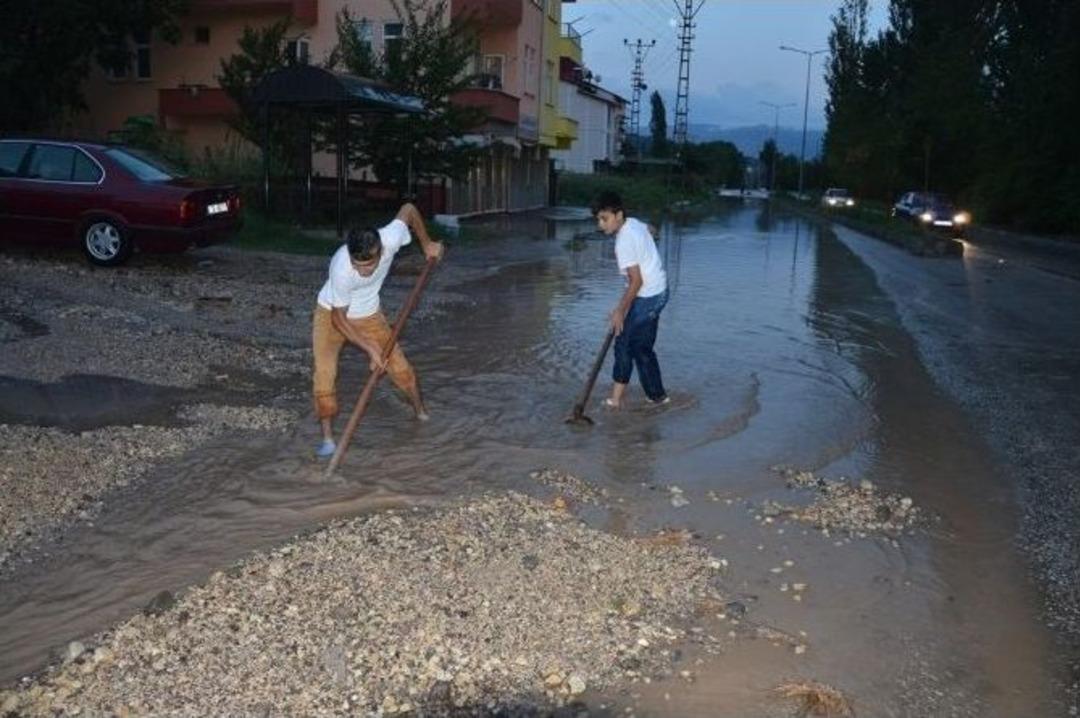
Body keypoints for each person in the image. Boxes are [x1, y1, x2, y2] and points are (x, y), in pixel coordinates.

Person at [311, 202, 443, 457]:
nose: (362, 271)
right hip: (331, 315)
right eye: (357, 264)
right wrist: (371, 349)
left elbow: (409, 209)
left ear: (380, 251)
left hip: (370, 316)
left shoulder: (391, 238)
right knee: (324, 376)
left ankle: (421, 414)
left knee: (401, 369)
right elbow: (340, 320)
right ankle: (328, 440)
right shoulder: (341, 267)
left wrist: (426, 243)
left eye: (368, 265)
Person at [590, 190, 670, 409]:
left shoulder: (623, 242)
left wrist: (619, 311)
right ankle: (642, 397)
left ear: (618, 215)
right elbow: (650, 229)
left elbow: (636, 281)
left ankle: (642, 398)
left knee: (630, 345)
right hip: (658, 290)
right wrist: (649, 239)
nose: (600, 224)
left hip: (650, 294)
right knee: (633, 345)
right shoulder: (633, 223)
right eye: (598, 219)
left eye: (604, 219)